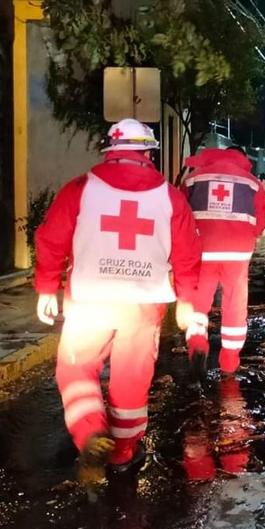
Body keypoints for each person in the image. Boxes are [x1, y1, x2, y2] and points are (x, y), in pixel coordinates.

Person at [34, 118, 201, 484]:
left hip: (90, 299)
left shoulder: (81, 189)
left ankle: (91, 433)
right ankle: (124, 455)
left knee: (76, 372)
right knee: (131, 381)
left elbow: (51, 239)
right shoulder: (170, 197)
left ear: (110, 150)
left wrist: (46, 287)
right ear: (148, 153)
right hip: (143, 305)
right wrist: (188, 300)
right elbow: (188, 253)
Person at [182, 146, 265, 377]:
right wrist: (249, 234)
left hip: (201, 249)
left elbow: (179, 211)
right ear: (242, 158)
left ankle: (198, 343)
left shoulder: (193, 178)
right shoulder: (251, 182)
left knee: (198, 300)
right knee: (234, 303)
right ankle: (230, 361)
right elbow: (263, 215)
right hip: (237, 252)